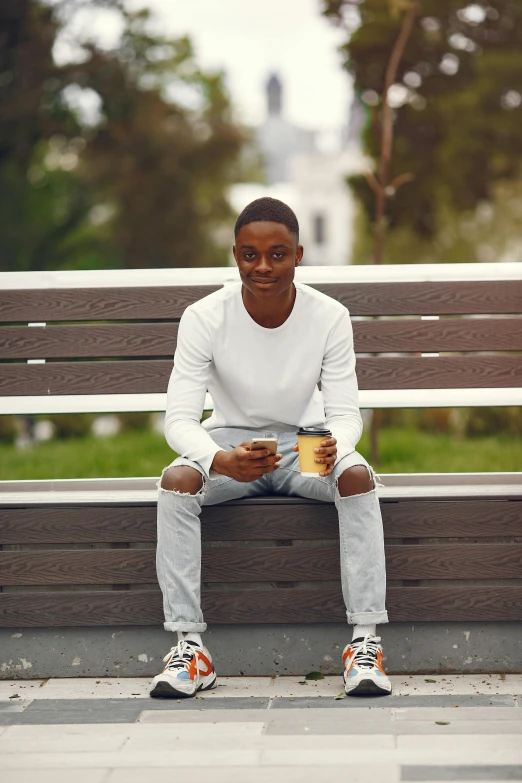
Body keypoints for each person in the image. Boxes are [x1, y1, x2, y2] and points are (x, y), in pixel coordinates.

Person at [150, 197, 391, 699]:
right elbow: (179, 419)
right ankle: (189, 648)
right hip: (229, 443)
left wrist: (335, 446)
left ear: (299, 255)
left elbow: (345, 416)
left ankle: (364, 644)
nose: (263, 266)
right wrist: (220, 459)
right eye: (250, 255)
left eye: (278, 254)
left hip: (306, 442)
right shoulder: (203, 317)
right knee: (175, 483)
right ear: (234, 254)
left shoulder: (329, 316)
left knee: (356, 477)